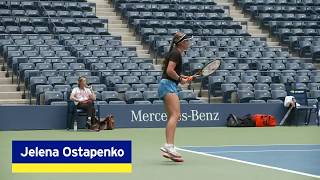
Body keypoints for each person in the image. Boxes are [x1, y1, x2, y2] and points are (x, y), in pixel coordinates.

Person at [158, 32, 191, 162]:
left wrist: (181, 78)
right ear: (181, 42)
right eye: (187, 41)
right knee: (175, 115)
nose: (189, 43)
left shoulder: (175, 53)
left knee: (173, 116)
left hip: (167, 84)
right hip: (168, 85)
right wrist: (179, 79)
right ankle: (169, 146)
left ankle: (169, 148)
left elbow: (173, 71)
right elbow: (169, 71)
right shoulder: (176, 53)